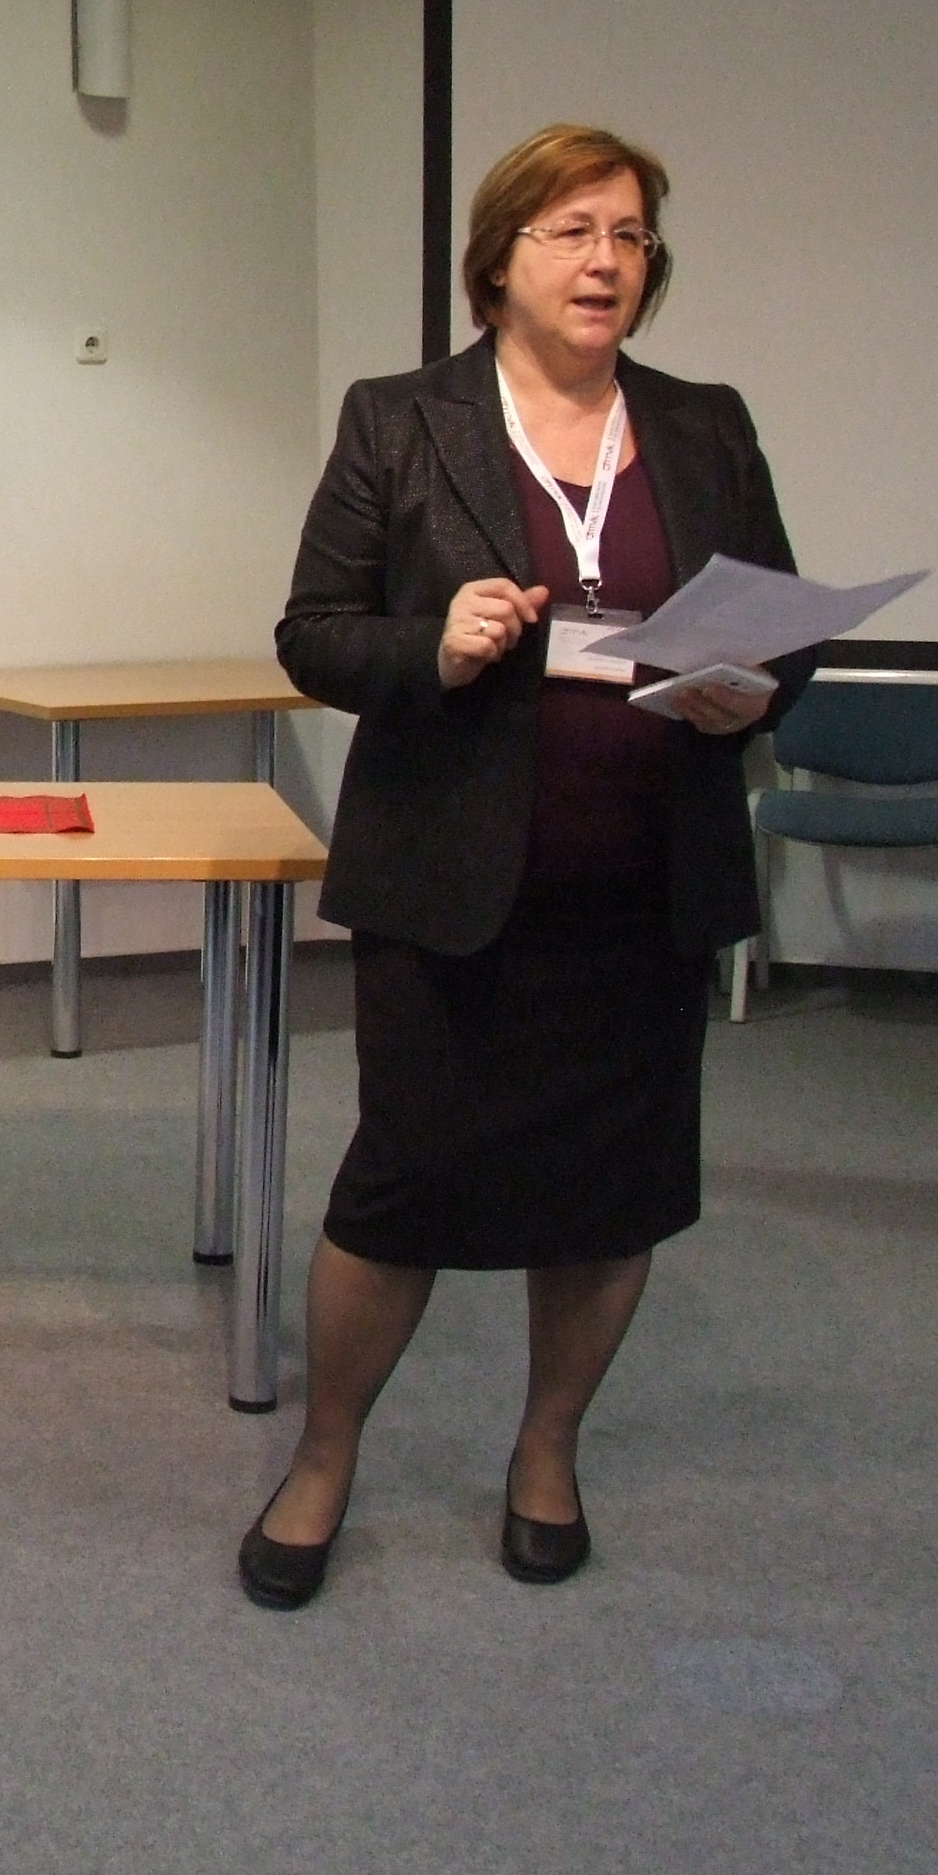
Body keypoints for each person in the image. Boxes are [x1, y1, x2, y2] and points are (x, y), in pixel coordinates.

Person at [244, 123, 814, 1609]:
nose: (605, 261)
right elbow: (313, 634)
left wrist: (758, 693)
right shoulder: (400, 420)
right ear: (497, 262)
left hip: (645, 888)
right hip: (449, 890)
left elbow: (781, 629)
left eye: (629, 236)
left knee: (611, 1198)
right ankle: (323, 1458)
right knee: (401, 1192)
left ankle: (547, 1452)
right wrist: (430, 647)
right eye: (572, 231)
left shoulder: (705, 426)